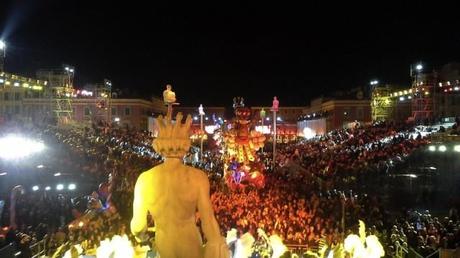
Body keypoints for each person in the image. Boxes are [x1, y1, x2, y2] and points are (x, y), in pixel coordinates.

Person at [131, 112, 229, 258]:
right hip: (190, 243)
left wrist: (141, 236)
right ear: (186, 145)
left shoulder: (144, 179)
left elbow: (138, 225)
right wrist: (216, 244)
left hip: (165, 244)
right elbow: (208, 221)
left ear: (158, 145)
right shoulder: (198, 177)